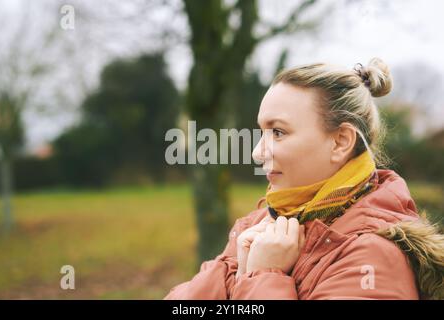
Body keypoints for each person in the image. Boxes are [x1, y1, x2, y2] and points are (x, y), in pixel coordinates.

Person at [164, 58, 444, 300]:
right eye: (262, 131)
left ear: (340, 142)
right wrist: (232, 267)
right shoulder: (262, 223)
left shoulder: (373, 258)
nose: (257, 152)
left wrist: (262, 275)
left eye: (278, 132)